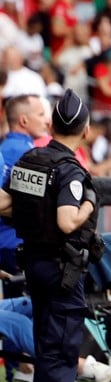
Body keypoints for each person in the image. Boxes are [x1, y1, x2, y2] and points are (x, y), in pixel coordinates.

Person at [0, 89, 101, 382]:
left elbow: (4, 203)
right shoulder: (71, 170)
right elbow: (67, 221)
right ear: (85, 130)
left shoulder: (29, 159)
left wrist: (33, 211)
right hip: (61, 269)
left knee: (47, 342)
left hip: (34, 264)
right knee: (60, 345)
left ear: (53, 124)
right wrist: (89, 201)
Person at [0, 94, 50, 289]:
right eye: (40, 114)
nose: (46, 120)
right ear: (24, 120)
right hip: (14, 244)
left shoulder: (10, 147)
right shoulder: (24, 153)